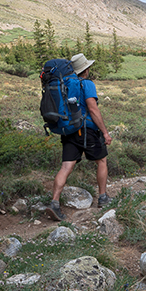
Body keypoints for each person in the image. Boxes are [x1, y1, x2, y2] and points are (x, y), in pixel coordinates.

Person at [47, 53, 113, 221]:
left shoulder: (65, 84)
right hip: (87, 130)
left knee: (66, 167)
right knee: (102, 161)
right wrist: (104, 132)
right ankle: (103, 197)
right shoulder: (87, 84)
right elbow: (93, 109)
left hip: (69, 130)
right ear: (86, 69)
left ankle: (54, 202)